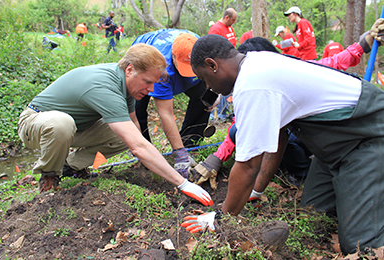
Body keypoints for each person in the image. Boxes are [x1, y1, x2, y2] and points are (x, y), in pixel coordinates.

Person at [181, 19, 384, 254]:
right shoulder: (256, 61)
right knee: (313, 211)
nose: (211, 88)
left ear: (212, 65)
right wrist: (256, 191)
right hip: (333, 150)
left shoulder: (251, 83)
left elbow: (247, 166)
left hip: (367, 134)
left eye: (205, 79)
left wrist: (220, 218)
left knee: (360, 244)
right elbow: (278, 137)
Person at [17, 43, 213, 207]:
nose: (151, 89)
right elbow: (138, 146)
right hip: (35, 123)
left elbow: (134, 129)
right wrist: (182, 183)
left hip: (76, 128)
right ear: (130, 69)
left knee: (124, 136)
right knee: (62, 124)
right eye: (147, 82)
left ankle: (71, 166)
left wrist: (148, 161)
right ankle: (49, 176)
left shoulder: (125, 84)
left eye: (154, 83)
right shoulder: (104, 86)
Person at [189, 35, 366, 190]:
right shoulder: (254, 73)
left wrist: (362, 45)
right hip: (316, 134)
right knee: (240, 132)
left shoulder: (262, 79)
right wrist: (217, 158)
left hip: (338, 129)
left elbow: (331, 63)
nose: (208, 87)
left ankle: (302, 169)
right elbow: (242, 126)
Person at [131, 29, 211, 178]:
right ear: (173, 57)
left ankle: (190, 143)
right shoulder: (161, 68)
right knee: (138, 108)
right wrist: (178, 153)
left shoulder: (202, 48)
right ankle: (146, 153)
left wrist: (213, 91)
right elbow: (166, 114)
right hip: (144, 60)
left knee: (203, 97)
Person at [208, 8, 238, 122]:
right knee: (222, 88)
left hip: (230, 62)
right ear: (227, 17)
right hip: (221, 64)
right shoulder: (216, 29)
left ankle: (225, 112)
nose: (234, 22)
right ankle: (218, 115)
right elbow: (212, 49)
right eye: (233, 20)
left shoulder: (230, 28)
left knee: (229, 88)